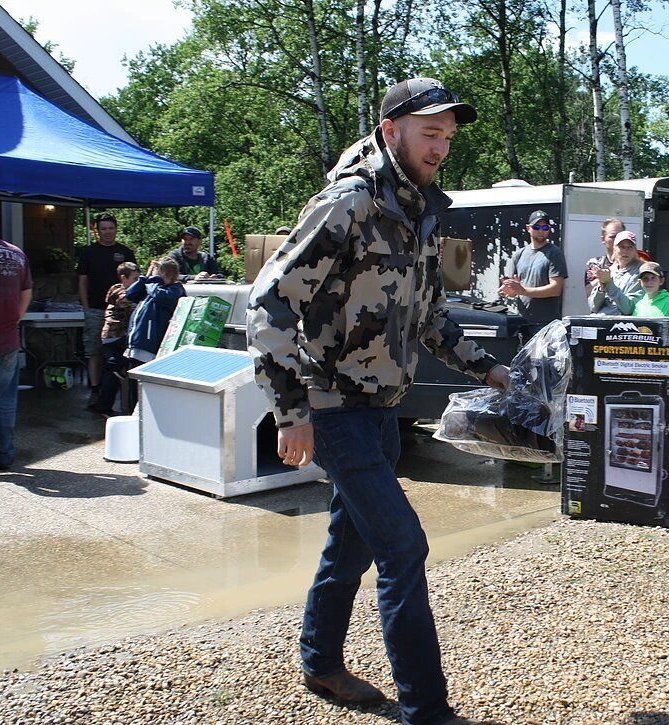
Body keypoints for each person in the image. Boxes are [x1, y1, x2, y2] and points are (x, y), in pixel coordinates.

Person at [247, 77, 509, 725]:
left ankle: (320, 660)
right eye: (430, 132)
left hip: (381, 411)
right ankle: (427, 708)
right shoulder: (352, 203)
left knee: (350, 546)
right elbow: (269, 302)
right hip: (334, 410)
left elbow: (429, 318)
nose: (442, 145)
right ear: (391, 131)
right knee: (403, 545)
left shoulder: (416, 208)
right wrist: (291, 410)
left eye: (448, 135)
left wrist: (490, 370)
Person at [0, 202, 32, 470]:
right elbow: (26, 293)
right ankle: (2, 455)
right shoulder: (17, 254)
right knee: (4, 402)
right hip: (7, 340)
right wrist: (14, 320)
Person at [76, 213, 136, 409]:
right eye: (103, 229)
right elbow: (82, 280)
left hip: (121, 313)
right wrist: (85, 306)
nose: (107, 232)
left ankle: (119, 392)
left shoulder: (125, 252)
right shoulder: (89, 252)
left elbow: (135, 281)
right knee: (94, 351)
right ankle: (95, 390)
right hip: (94, 309)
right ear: (97, 230)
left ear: (116, 229)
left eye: (110, 228)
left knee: (118, 352)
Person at [499, 210, 568, 332]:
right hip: (521, 321)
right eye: (536, 227)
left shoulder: (554, 253)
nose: (541, 230)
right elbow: (514, 291)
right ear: (528, 228)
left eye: (545, 227)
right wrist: (508, 290)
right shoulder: (518, 254)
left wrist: (523, 291)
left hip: (546, 324)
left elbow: (556, 289)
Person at [92, 262, 140, 415]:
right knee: (114, 371)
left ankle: (106, 406)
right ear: (123, 278)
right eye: (135, 278)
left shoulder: (124, 289)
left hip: (116, 337)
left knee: (114, 371)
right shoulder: (119, 291)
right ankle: (104, 406)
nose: (138, 281)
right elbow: (127, 301)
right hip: (115, 337)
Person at [124, 258, 185, 365]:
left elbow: (161, 296)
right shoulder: (151, 286)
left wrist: (154, 279)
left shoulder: (175, 289)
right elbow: (130, 294)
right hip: (136, 342)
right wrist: (144, 278)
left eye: (156, 271)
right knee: (133, 377)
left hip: (151, 345)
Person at [589, 230, 644, 315]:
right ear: (614, 249)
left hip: (621, 323)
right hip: (599, 318)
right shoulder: (610, 269)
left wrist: (609, 283)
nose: (626, 251)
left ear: (635, 250)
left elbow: (628, 308)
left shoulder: (641, 271)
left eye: (630, 247)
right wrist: (601, 287)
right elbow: (593, 307)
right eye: (622, 247)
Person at [584, 217, 624, 287]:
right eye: (613, 237)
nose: (617, 240)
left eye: (620, 236)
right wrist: (605, 275)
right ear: (603, 239)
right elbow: (589, 292)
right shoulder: (595, 264)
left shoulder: (636, 263)